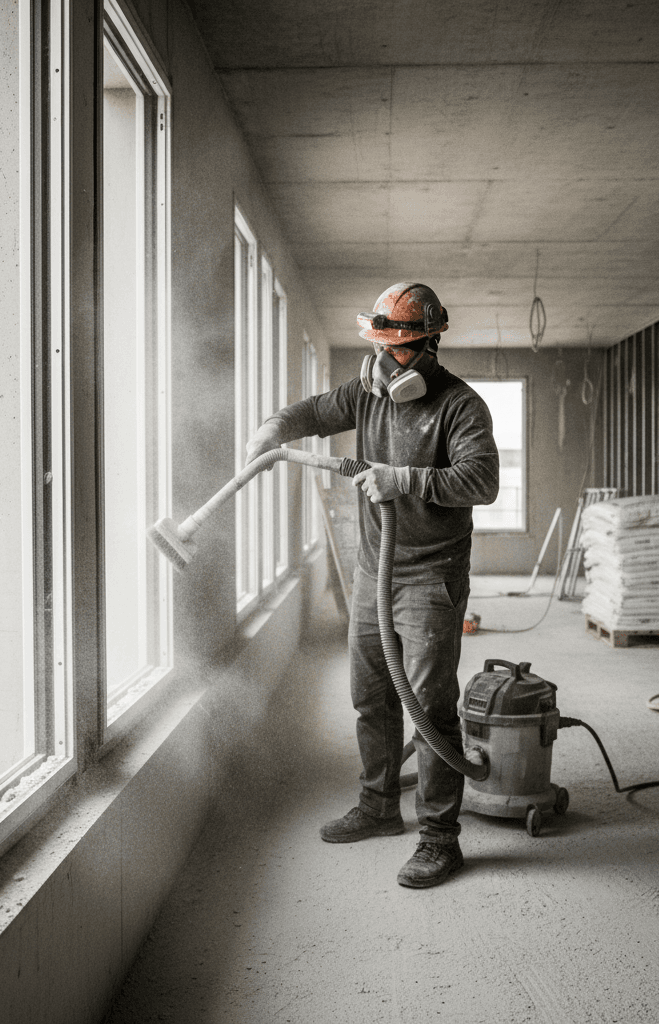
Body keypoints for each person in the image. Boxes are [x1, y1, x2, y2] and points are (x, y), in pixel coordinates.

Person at [246, 282, 500, 888]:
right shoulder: (366, 393)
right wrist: (273, 428)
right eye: (381, 346)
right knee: (371, 695)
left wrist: (403, 479)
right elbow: (311, 413)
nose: (388, 362)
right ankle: (380, 807)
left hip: (430, 574)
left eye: (402, 349)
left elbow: (480, 481)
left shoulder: (460, 406)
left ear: (431, 346)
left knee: (430, 706)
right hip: (373, 570)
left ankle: (440, 838)